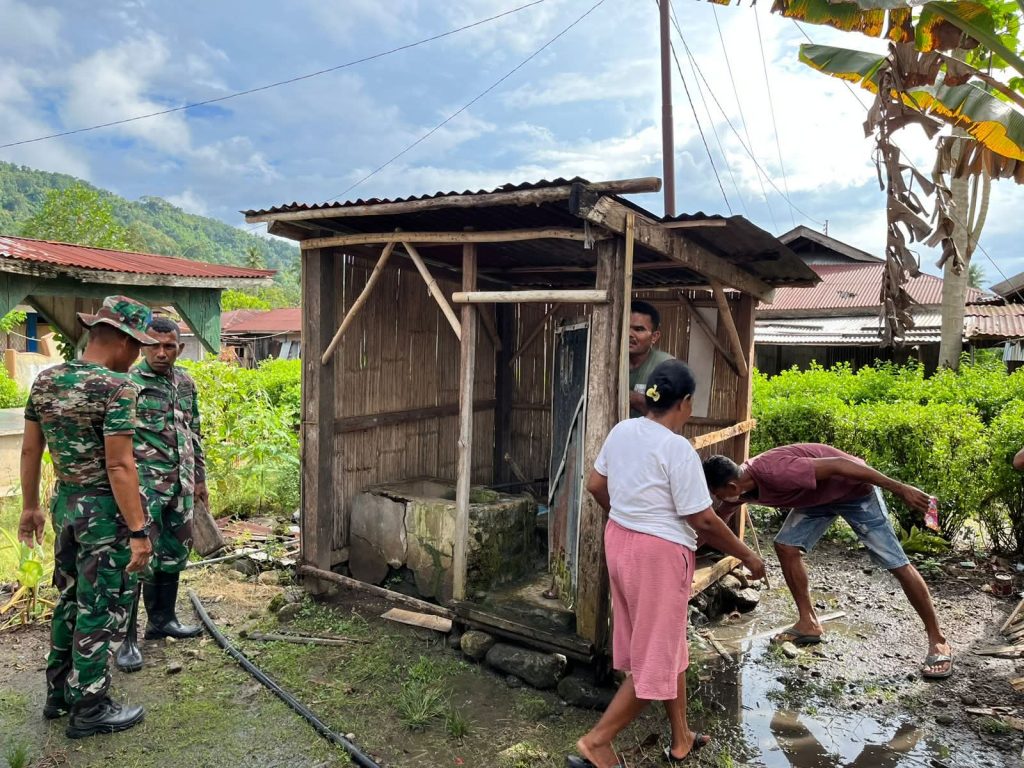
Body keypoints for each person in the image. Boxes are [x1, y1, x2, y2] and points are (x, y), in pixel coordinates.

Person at [569, 360, 766, 768]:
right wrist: (747, 554)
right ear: (686, 402)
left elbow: (595, 485)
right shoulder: (677, 448)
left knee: (666, 645)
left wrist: (627, 516)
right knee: (653, 661)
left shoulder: (623, 430)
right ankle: (596, 743)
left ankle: (681, 737)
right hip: (657, 558)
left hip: (620, 544)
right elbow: (704, 519)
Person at [18, 296, 157, 738]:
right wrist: (138, 530)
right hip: (104, 514)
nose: (137, 355)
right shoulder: (118, 387)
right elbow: (119, 466)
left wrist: (30, 507)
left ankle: (58, 695)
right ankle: (91, 706)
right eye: (136, 345)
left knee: (70, 597)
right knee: (99, 605)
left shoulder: (46, 381)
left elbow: (29, 450)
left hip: (66, 505)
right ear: (120, 340)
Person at [702, 444, 953, 680]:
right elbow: (713, 524)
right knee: (786, 546)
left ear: (732, 486)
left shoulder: (776, 472)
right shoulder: (740, 489)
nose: (715, 499)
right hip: (817, 499)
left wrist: (900, 488)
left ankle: (938, 640)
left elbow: (839, 465)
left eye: (716, 494)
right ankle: (808, 623)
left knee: (895, 562)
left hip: (854, 491)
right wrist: (690, 551)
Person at [116, 315, 206, 673]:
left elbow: (194, 431)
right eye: (154, 345)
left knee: (173, 554)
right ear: (142, 344)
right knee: (136, 561)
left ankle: (162, 621)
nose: (162, 352)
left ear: (180, 348)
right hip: (143, 490)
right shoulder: (128, 384)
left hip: (180, 486)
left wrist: (199, 478)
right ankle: (125, 640)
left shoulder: (185, 382)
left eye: (170, 346)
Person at [627, 300, 673, 418]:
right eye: (625, 327)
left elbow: (669, 415)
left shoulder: (667, 367)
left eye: (638, 329)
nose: (629, 334)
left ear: (654, 337)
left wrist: (633, 398)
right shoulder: (603, 364)